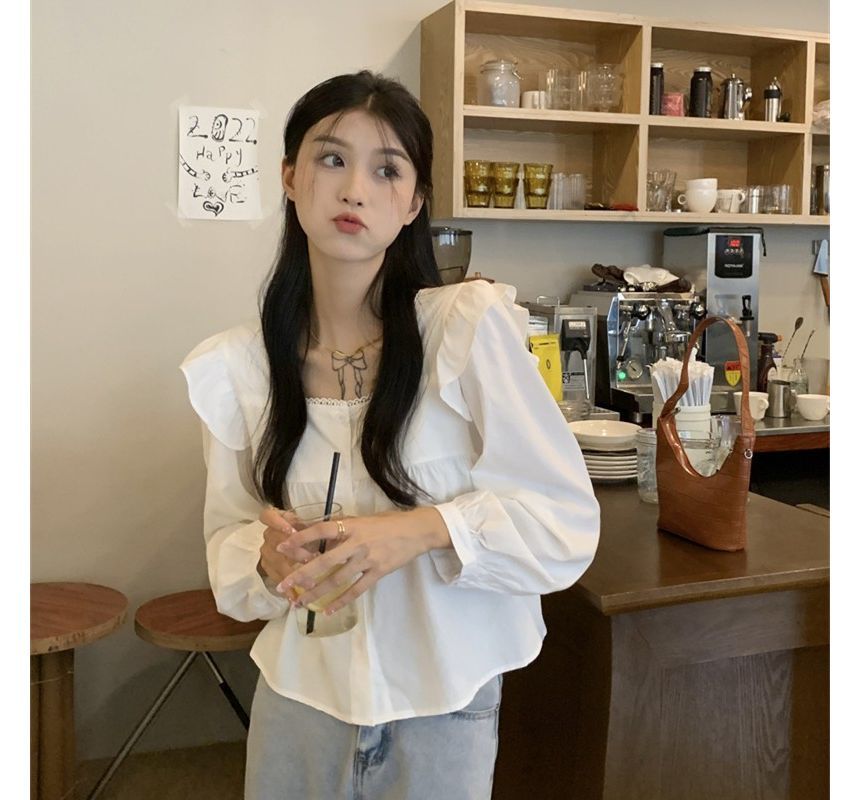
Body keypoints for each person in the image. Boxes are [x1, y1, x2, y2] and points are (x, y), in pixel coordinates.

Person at [180, 70, 600, 800]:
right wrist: (268, 561)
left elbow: (563, 523)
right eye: (331, 158)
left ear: (412, 204)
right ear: (290, 177)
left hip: (445, 705)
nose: (354, 191)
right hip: (300, 701)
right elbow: (229, 544)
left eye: (386, 170)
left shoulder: (465, 330)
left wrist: (418, 531)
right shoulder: (237, 368)